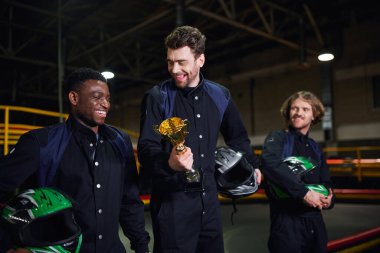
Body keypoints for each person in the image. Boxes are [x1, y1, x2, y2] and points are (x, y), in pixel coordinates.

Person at [137, 25, 261, 253]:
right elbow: (146, 148)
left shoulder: (220, 95)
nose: (174, 69)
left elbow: (238, 136)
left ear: (200, 60)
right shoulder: (157, 97)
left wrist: (253, 166)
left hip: (210, 201)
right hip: (172, 204)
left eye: (181, 62)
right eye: (170, 62)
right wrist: (169, 163)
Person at [0, 67, 150, 253]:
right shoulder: (41, 142)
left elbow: (129, 201)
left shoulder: (120, 141)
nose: (105, 104)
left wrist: (141, 247)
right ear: (74, 98)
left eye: (108, 98)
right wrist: (7, 246)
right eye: (97, 97)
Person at [261, 91, 335, 253]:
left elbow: (326, 180)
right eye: (294, 108)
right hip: (286, 223)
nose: (298, 113)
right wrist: (304, 193)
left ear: (314, 115)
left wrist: (330, 198)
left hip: (316, 223)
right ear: (288, 112)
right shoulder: (278, 138)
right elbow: (270, 163)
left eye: (305, 109)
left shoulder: (315, 147)